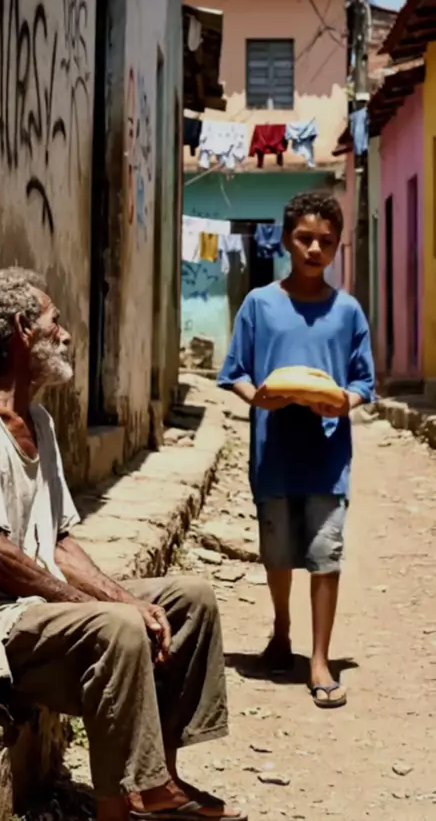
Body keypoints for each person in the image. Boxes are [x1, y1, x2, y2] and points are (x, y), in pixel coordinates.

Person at [0, 268, 246, 821]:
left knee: (189, 600)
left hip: (35, 611)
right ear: (21, 330)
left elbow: (60, 543)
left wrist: (125, 598)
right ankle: (118, 809)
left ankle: (161, 783)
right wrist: (101, 608)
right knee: (118, 627)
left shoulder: (38, 420)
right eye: (54, 321)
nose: (66, 334)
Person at [218, 192, 375, 709]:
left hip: (328, 458)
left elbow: (363, 382)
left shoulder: (347, 311)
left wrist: (343, 402)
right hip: (274, 453)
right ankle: (282, 630)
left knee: (326, 555)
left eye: (326, 242)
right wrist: (257, 398)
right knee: (278, 552)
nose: (314, 249)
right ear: (286, 239)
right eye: (305, 238)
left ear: (337, 245)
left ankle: (320, 659)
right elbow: (236, 371)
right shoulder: (260, 304)